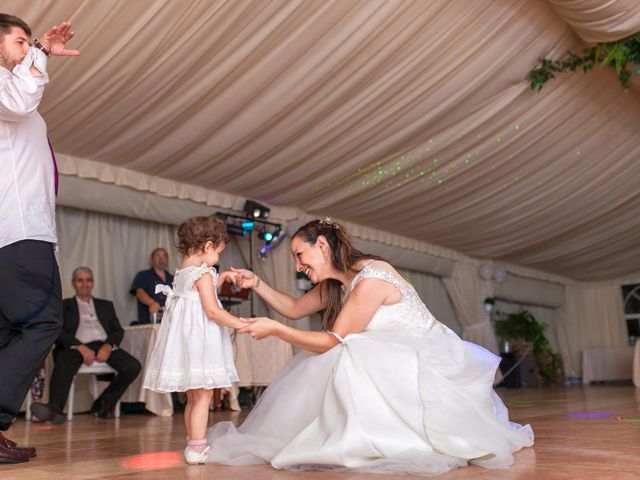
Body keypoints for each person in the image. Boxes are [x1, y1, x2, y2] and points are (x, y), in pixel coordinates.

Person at [206, 218, 534, 475]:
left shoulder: (372, 278)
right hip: (388, 357)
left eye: (299, 255)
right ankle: (337, 434)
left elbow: (334, 340)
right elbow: (294, 308)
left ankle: (358, 438)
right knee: (346, 353)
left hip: (423, 360)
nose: (298, 266)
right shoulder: (338, 283)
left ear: (321, 245)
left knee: (348, 353)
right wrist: (257, 283)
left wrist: (277, 330)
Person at [0, 13, 78, 464]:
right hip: (21, 232)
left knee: (8, 331)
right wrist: (42, 53)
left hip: (13, 234)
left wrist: (34, 54)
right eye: (19, 41)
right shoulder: (8, 88)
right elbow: (19, 103)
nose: (27, 46)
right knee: (44, 321)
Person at [143, 216, 260, 465]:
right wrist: (240, 323)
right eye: (218, 252)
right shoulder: (204, 273)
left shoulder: (182, 271)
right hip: (201, 343)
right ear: (208, 246)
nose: (218, 257)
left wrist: (222, 277)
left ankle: (192, 442)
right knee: (203, 397)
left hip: (188, 343)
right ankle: (197, 449)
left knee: (195, 398)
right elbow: (213, 311)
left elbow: (199, 294)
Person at [30, 267, 142, 423]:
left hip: (104, 345)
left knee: (133, 366)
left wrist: (108, 346)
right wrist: (80, 347)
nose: (85, 284)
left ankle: (104, 402)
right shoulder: (64, 305)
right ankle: (54, 409)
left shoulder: (105, 305)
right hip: (76, 348)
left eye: (88, 280)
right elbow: (58, 331)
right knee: (63, 360)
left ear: (93, 283)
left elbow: (117, 330)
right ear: (73, 283)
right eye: (80, 280)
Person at [130, 248, 174, 324]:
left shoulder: (173, 278)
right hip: (149, 322)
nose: (161, 259)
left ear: (168, 259)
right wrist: (152, 303)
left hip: (170, 322)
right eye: (158, 256)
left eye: (164, 256)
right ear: (151, 259)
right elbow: (139, 293)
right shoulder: (143, 275)